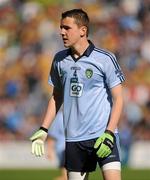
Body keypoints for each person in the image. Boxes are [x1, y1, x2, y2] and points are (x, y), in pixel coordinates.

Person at [30, 9, 125, 180]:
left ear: (83, 30)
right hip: (74, 139)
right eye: (61, 28)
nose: (61, 32)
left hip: (103, 135)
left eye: (67, 28)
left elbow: (119, 98)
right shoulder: (59, 60)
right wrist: (44, 129)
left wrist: (110, 133)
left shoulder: (105, 59)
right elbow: (56, 96)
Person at [47, 106, 67, 180]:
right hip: (63, 150)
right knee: (67, 177)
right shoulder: (58, 118)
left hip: (71, 148)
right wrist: (49, 151)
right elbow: (52, 136)